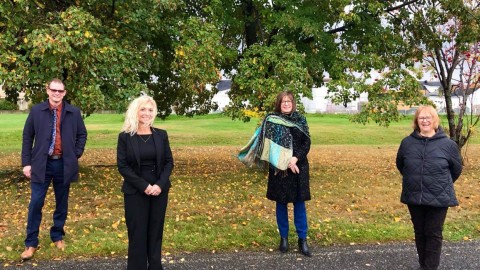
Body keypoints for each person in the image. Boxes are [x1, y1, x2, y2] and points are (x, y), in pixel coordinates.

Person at [21, 78, 88, 260]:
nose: (57, 93)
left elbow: (82, 134)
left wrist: (75, 154)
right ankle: (30, 242)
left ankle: (57, 235)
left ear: (64, 93)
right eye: (53, 90)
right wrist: (26, 163)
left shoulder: (73, 112)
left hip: (63, 164)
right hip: (41, 164)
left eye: (60, 91)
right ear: (48, 90)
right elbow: (27, 137)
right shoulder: (36, 111)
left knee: (62, 202)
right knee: (36, 202)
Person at [238, 91, 312, 257]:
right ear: (279, 104)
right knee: (281, 203)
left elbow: (307, 142)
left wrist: (294, 159)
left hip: (298, 168)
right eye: (283, 101)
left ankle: (302, 240)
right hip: (280, 170)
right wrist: (285, 162)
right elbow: (267, 147)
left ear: (293, 103)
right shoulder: (271, 121)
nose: (286, 104)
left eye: (289, 101)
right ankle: (284, 238)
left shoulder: (300, 119)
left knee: (299, 204)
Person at [396, 105, 462, 270]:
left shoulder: (448, 144)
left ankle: (430, 267)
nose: (424, 121)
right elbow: (401, 165)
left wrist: (439, 182)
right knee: (419, 232)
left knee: (433, 233)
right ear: (416, 121)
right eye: (421, 118)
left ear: (435, 120)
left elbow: (456, 169)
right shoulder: (407, 143)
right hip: (414, 194)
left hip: (439, 196)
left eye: (428, 118)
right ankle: (422, 265)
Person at [117, 95, 174, 270]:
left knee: (155, 233)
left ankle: (155, 267)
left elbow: (168, 162)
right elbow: (123, 166)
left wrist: (159, 185)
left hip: (159, 191)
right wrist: (145, 186)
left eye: (150, 110)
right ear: (135, 111)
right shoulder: (125, 137)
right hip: (135, 192)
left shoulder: (161, 135)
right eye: (143, 109)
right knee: (137, 234)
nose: (146, 113)